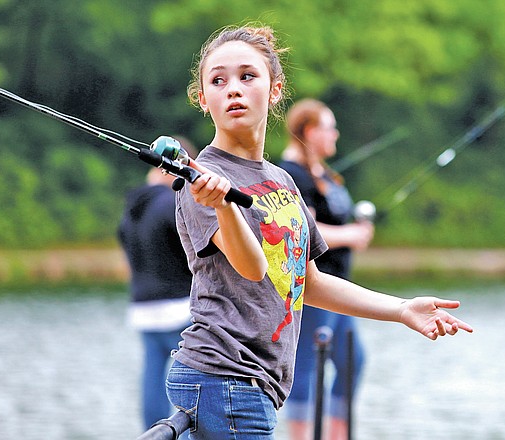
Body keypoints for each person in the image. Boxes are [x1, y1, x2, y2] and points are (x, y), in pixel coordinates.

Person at [166, 24, 473, 440]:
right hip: (223, 376)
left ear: (275, 90)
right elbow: (253, 267)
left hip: (256, 383)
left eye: (247, 76)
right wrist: (222, 205)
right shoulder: (202, 180)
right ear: (203, 99)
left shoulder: (282, 182)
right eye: (217, 81)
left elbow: (306, 281)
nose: (232, 89)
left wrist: (401, 310)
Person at [278, 98, 373, 440]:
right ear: (309, 131)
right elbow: (303, 231)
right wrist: (350, 235)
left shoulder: (324, 173)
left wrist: (357, 231)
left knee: (352, 362)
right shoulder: (292, 175)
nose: (336, 134)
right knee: (304, 368)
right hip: (312, 291)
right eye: (329, 127)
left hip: (340, 287)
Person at [118, 138, 196, 437]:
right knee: (191, 381)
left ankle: (151, 434)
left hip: (142, 306)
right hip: (178, 307)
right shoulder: (170, 204)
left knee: (152, 377)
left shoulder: (131, 210)